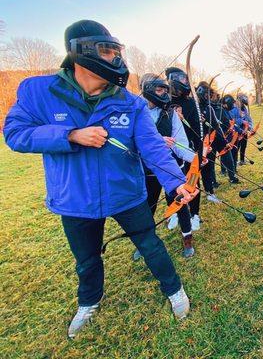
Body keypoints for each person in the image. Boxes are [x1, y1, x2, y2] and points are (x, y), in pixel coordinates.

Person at [3, 20, 195, 338]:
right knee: (87, 259)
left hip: (126, 194)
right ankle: (89, 301)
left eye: (114, 51)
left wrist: (176, 183)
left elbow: (153, 149)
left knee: (151, 245)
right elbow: (15, 133)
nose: (115, 59)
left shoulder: (129, 102)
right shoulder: (39, 92)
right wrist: (71, 135)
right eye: (106, 51)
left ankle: (175, 291)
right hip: (74, 198)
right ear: (80, 53)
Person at [132, 73, 196, 260]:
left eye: (164, 89)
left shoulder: (170, 113)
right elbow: (130, 143)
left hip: (171, 169)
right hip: (146, 170)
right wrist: (158, 141)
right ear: (147, 89)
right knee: (147, 208)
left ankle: (187, 238)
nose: (162, 93)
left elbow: (181, 143)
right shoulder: (135, 111)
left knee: (180, 203)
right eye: (158, 89)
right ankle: (144, 244)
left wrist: (195, 158)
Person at [166, 67, 203, 231]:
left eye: (186, 79)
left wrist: (200, 155)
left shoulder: (190, 103)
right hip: (171, 154)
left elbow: (198, 129)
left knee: (193, 183)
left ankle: (195, 214)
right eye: (182, 79)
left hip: (190, 153)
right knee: (173, 186)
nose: (185, 82)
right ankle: (176, 212)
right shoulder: (163, 103)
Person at [237, 94, 253, 166]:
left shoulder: (245, 109)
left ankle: (242, 160)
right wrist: (242, 122)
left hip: (245, 131)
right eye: (242, 103)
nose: (243, 104)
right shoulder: (235, 108)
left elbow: (249, 119)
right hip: (237, 132)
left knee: (243, 146)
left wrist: (250, 127)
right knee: (236, 147)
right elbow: (233, 119)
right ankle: (234, 162)